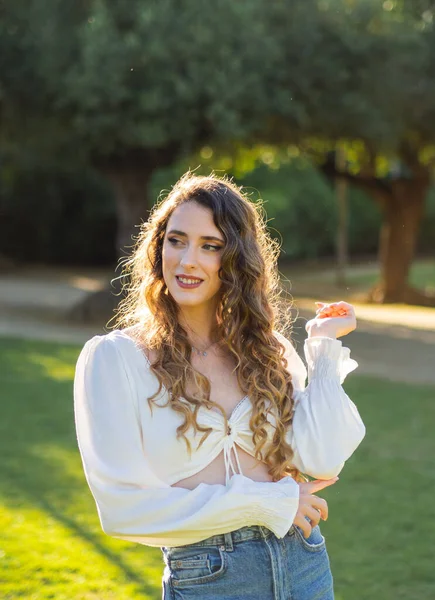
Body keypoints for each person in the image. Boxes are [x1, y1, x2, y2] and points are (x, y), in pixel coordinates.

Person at [74, 172, 366, 600]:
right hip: (208, 575)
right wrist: (266, 502)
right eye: (176, 241)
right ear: (158, 250)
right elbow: (122, 508)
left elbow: (323, 461)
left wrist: (322, 346)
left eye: (210, 246)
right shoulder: (116, 359)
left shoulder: (268, 352)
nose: (187, 260)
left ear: (236, 259)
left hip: (303, 563)